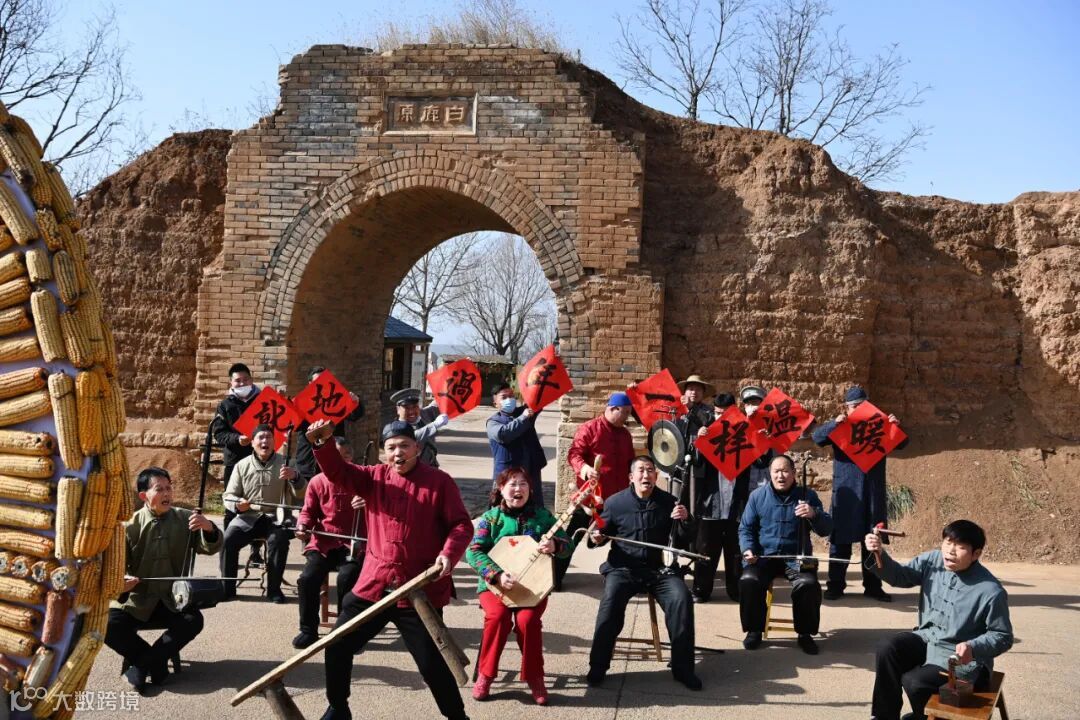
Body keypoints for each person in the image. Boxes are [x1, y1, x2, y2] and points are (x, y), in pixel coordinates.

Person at [307, 418, 473, 720]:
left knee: (432, 664)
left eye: (404, 446)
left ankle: (457, 717)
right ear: (384, 452)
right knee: (337, 644)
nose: (398, 453)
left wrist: (448, 554)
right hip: (374, 586)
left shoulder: (439, 482)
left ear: (417, 448)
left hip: (418, 591)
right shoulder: (372, 478)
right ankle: (338, 707)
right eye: (391, 447)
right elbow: (338, 471)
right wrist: (323, 443)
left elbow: (461, 525)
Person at [866, 520, 1013, 720]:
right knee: (888, 648)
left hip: (958, 658)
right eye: (948, 542)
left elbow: (1003, 636)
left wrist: (974, 647)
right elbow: (900, 576)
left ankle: (925, 717)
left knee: (915, 682)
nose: (951, 551)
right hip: (928, 638)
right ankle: (885, 717)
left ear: (976, 554)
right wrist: (879, 553)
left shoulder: (991, 591)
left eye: (960, 547)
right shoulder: (933, 561)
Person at [586, 456, 701, 691]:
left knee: (681, 599)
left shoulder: (670, 502)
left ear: (656, 477)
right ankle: (598, 665)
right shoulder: (615, 503)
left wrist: (686, 520)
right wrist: (596, 537)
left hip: (660, 570)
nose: (646, 475)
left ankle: (683, 668)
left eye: (650, 470)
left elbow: (685, 539)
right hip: (623, 569)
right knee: (610, 602)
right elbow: (598, 534)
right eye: (640, 470)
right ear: (631, 477)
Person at [106, 467, 222, 694]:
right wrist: (122, 583)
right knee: (107, 624)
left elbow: (209, 547)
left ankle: (144, 663)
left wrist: (208, 528)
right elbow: (115, 569)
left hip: (172, 599)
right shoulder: (128, 525)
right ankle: (154, 662)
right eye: (159, 489)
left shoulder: (186, 519)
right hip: (137, 601)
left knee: (193, 620)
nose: (167, 493)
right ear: (144, 495)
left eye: (169, 488)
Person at [465, 467, 571, 705]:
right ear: (501, 489)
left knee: (528, 621)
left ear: (530, 490)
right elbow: (473, 551)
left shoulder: (542, 517)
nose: (518, 489)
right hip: (494, 586)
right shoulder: (491, 518)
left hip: (533, 587)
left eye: (523, 484)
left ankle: (535, 677)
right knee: (498, 618)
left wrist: (555, 545)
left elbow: (568, 544)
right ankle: (486, 675)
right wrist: (496, 575)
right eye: (512, 484)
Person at [812, 385, 908, 602]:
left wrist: (895, 426)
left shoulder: (879, 427)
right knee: (840, 542)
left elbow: (903, 443)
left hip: (872, 494)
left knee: (872, 541)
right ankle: (835, 585)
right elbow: (817, 437)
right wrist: (834, 424)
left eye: (863, 405)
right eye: (854, 406)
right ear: (846, 408)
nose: (858, 409)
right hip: (847, 495)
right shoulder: (841, 427)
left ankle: (873, 586)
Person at [738, 454, 833, 655]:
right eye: (776, 471)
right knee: (748, 580)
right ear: (770, 473)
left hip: (795, 559)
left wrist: (813, 514)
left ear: (794, 473)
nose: (780, 476)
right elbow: (745, 529)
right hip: (764, 557)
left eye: (785, 471)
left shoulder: (808, 496)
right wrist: (748, 550)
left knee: (808, 584)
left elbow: (826, 529)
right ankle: (754, 630)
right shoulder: (757, 496)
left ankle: (805, 634)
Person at [554, 392, 637, 590]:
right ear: (613, 409)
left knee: (623, 538)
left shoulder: (625, 434)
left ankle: (626, 577)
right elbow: (574, 454)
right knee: (573, 535)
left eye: (629, 413)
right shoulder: (589, 428)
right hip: (590, 497)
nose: (627, 417)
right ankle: (555, 576)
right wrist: (585, 469)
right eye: (625, 413)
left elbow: (631, 462)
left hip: (617, 498)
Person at [292, 436, 366, 649]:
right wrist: (302, 526)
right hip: (323, 543)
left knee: (348, 577)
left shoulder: (363, 479)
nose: (338, 463)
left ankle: (345, 630)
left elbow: (382, 508)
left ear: (350, 457)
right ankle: (308, 630)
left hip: (354, 543)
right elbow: (308, 512)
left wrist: (368, 503)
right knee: (307, 579)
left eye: (343, 457)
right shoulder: (317, 482)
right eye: (333, 458)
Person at [221, 424, 304, 603]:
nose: (265, 441)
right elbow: (229, 495)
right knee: (228, 539)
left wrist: (295, 477)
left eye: (269, 437)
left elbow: (301, 494)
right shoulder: (241, 465)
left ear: (274, 442)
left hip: (277, 517)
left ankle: (274, 590)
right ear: (252, 442)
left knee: (278, 540)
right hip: (248, 517)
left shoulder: (287, 463)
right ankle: (227, 588)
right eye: (261, 437)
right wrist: (238, 505)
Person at [690, 393, 748, 603]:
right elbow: (695, 463)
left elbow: (760, 462)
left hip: (736, 504)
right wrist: (700, 441)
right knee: (706, 550)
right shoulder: (708, 431)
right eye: (717, 413)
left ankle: (736, 590)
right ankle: (701, 590)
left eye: (725, 413)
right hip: (711, 503)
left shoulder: (745, 433)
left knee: (735, 552)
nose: (720, 417)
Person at [294, 366, 365, 484]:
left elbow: (355, 416)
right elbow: (293, 425)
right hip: (308, 463)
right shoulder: (302, 403)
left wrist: (356, 403)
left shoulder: (337, 399)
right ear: (310, 384)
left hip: (332, 460)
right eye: (318, 381)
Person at [209, 362, 259, 528]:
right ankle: (229, 539)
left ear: (251, 380)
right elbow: (219, 434)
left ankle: (256, 543)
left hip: (259, 461)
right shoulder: (224, 406)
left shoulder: (263, 402)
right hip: (234, 461)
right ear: (231, 382)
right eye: (238, 380)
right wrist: (237, 439)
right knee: (232, 503)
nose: (242, 383)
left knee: (258, 504)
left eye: (246, 379)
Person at [486, 383, 547, 504]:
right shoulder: (493, 422)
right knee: (505, 505)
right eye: (504, 397)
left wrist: (537, 382)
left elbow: (538, 400)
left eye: (511, 396)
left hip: (529, 470)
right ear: (495, 403)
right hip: (507, 474)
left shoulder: (524, 412)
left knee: (533, 505)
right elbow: (503, 434)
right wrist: (523, 418)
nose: (509, 399)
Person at [384, 388, 448, 467]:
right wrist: (434, 425)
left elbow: (438, 404)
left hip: (432, 467)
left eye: (414, 406)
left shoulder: (423, 415)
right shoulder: (397, 428)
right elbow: (412, 437)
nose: (411, 411)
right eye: (407, 408)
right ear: (398, 410)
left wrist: (444, 392)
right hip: (412, 470)